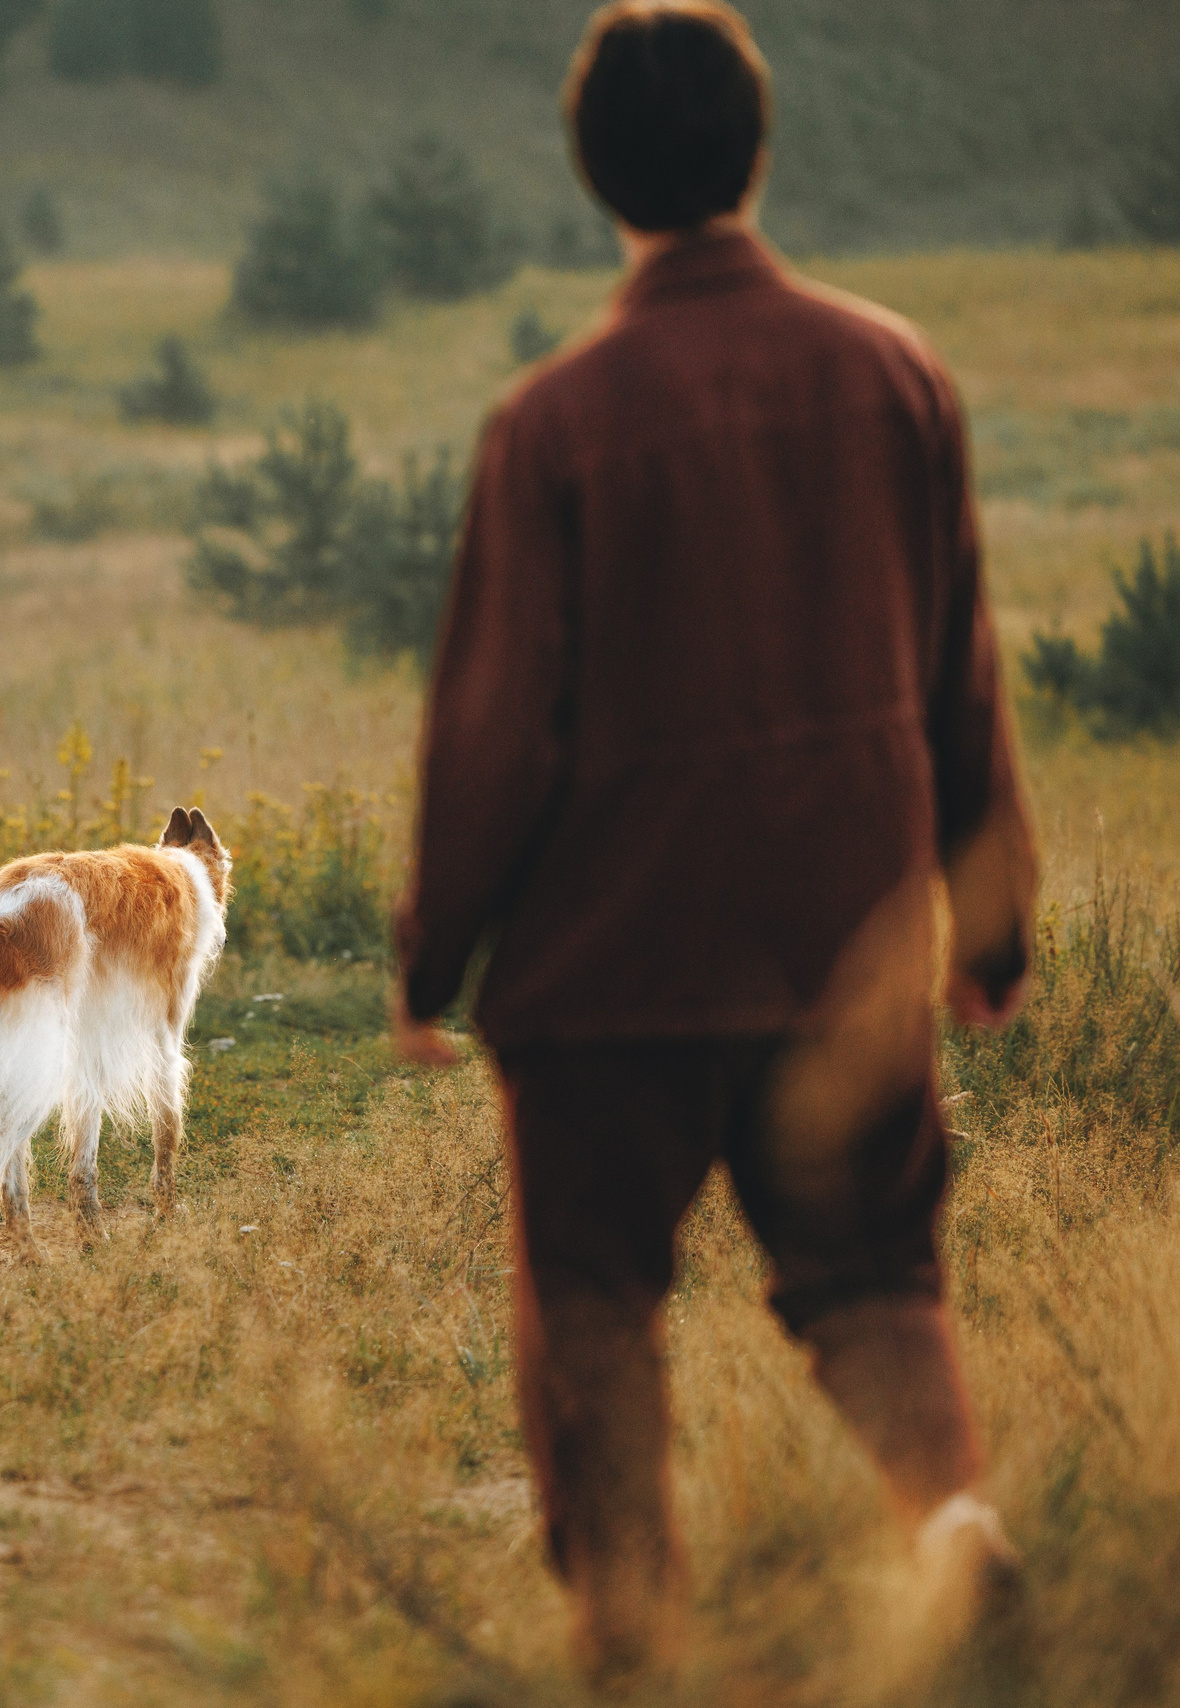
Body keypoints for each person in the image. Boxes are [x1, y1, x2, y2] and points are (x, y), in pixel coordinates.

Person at [390, 0, 1038, 1683]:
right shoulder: (900, 376)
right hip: (850, 944)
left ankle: (629, 1631)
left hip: (616, 969)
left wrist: (433, 957)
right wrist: (992, 927)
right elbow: (960, 671)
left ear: (594, 166)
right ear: (758, 150)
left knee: (595, 1293)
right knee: (875, 1269)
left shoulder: (556, 424)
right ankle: (955, 1527)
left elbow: (492, 730)